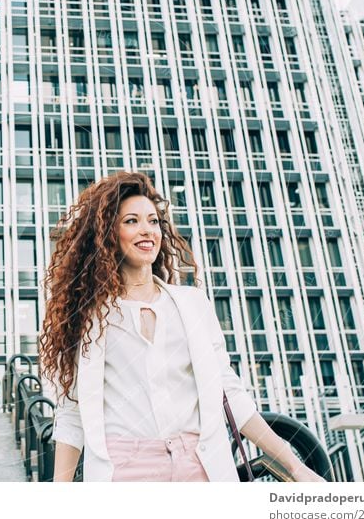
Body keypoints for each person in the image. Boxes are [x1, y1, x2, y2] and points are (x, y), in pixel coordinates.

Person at [39, 171, 325, 482]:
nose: (147, 231)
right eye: (131, 221)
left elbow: (229, 390)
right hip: (123, 472)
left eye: (153, 221)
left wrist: (295, 466)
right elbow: (71, 414)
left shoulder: (192, 303)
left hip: (200, 467)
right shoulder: (89, 316)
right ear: (107, 233)